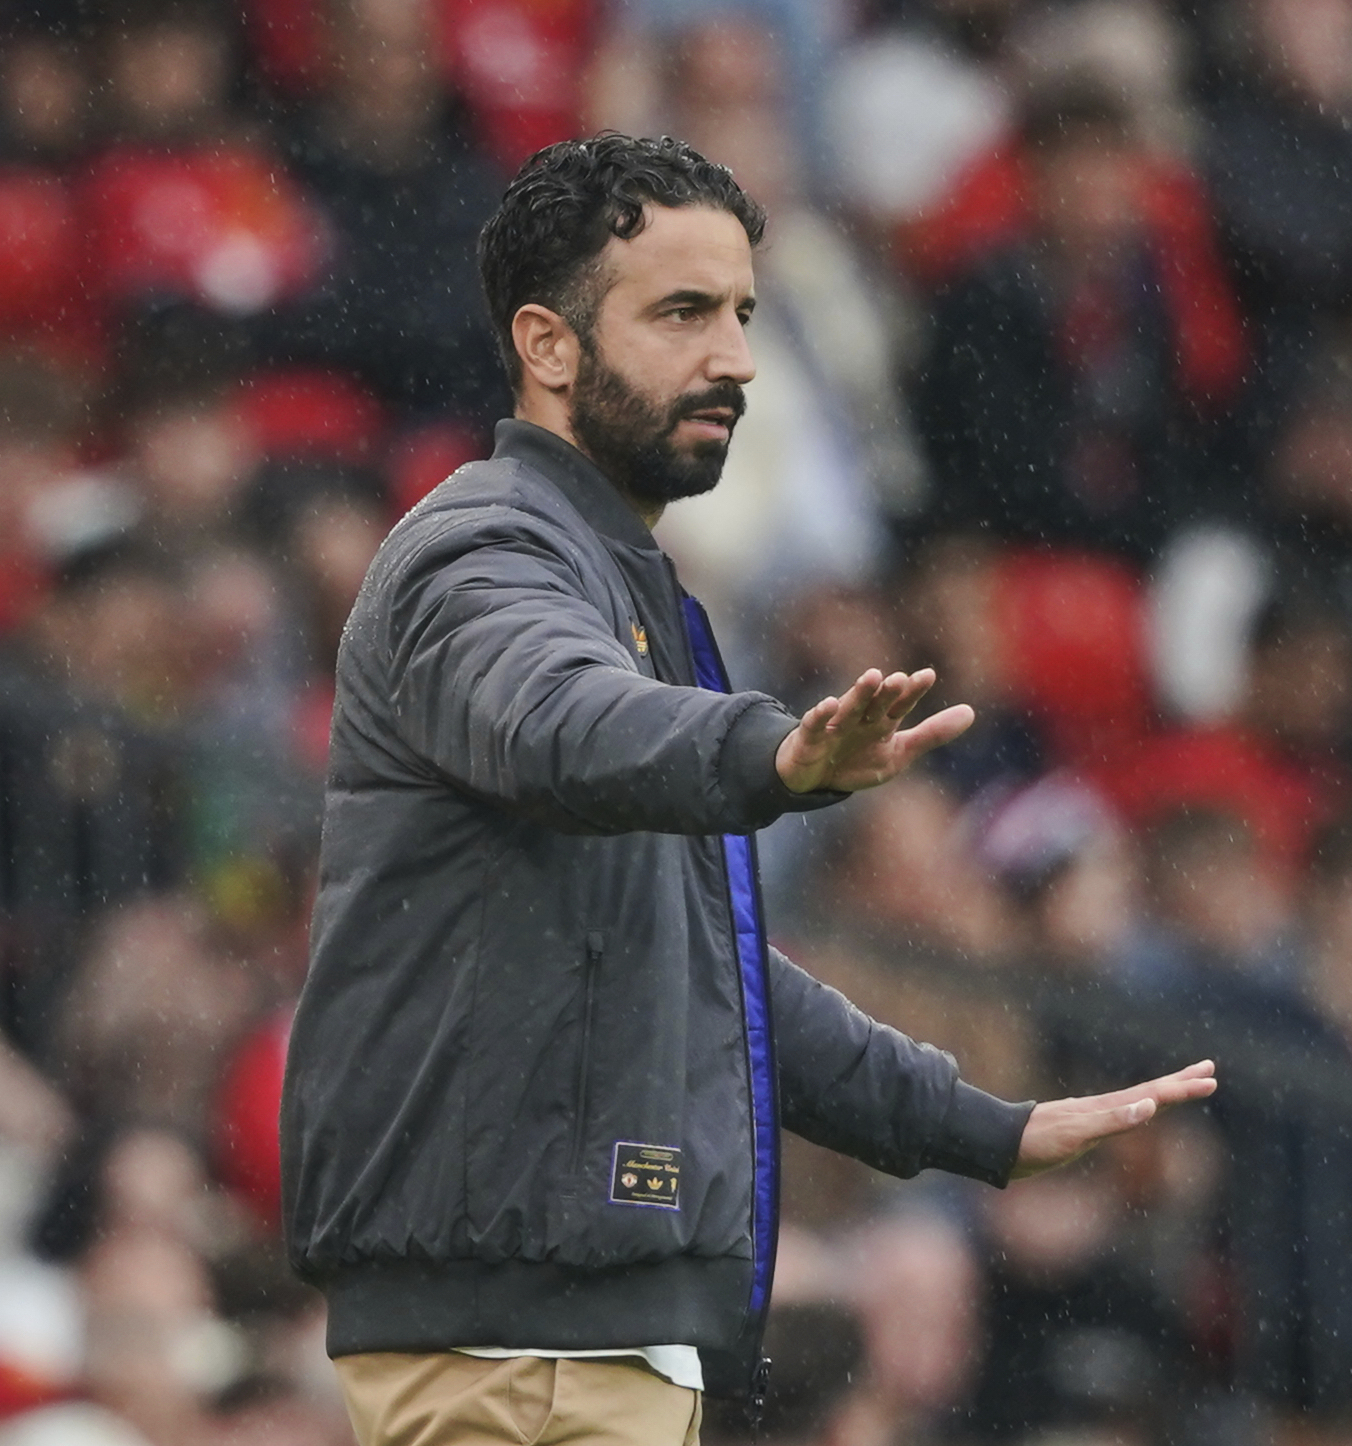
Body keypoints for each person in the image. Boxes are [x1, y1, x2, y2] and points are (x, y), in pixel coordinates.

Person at [277, 134, 1217, 1446]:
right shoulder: (477, 552)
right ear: (547, 347)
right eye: (681, 313)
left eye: (741, 315)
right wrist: (766, 757)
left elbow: (709, 970)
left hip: (585, 1319)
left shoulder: (629, 591)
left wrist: (980, 1128)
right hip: (517, 1328)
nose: (735, 358)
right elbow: (562, 720)